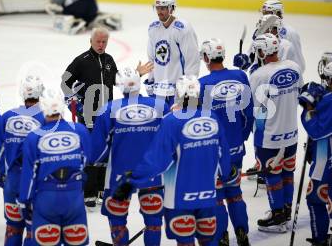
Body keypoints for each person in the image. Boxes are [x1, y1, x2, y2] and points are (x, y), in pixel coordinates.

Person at [113, 75, 231, 245]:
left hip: (180, 199)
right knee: (208, 240)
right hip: (207, 196)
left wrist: (132, 180)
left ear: (179, 94)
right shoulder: (212, 117)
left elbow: (157, 160)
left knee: (185, 241)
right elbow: (223, 154)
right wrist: (227, 172)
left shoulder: (172, 121)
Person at [61, 27, 152, 208]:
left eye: (104, 42)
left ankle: (101, 188)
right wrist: (77, 105)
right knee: (90, 152)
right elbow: (65, 82)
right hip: (88, 115)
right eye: (98, 42)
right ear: (91, 42)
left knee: (105, 150)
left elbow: (119, 82)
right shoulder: (81, 61)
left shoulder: (109, 60)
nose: (101, 45)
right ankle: (88, 192)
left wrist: (137, 74)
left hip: (108, 115)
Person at [90, 67, 169, 245]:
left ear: (120, 86)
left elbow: (98, 151)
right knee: (154, 222)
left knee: (117, 220)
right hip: (153, 174)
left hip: (119, 176)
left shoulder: (109, 109)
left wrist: (95, 161)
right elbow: (170, 141)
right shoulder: (159, 106)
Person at [18, 88, 92, 246]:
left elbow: (29, 175)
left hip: (46, 200)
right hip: (74, 198)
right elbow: (87, 160)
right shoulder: (79, 130)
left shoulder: (34, 136)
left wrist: (25, 203)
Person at [198, 38, 254, 246]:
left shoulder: (202, 84)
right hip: (236, 149)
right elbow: (249, 113)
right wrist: (241, 137)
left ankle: (221, 236)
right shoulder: (240, 76)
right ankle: (242, 232)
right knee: (235, 192)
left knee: (217, 196)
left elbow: (200, 122)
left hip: (214, 153)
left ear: (206, 58)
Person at [249, 33, 303, 233]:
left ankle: (278, 216)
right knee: (287, 173)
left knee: (272, 176)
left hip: (269, 137)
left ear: (263, 51)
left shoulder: (259, 75)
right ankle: (286, 211)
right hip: (292, 133)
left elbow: (256, 107)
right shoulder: (294, 67)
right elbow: (299, 94)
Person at [0, 75, 45, 246]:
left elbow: (0, 149)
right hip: (35, 184)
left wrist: (2, 173)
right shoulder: (47, 118)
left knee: (13, 227)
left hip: (12, 182)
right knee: (33, 229)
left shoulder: (8, 116)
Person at [144, 0, 200, 108]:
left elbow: (192, 60)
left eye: (163, 8)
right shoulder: (153, 28)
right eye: (157, 8)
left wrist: (188, 88)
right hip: (158, 90)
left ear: (172, 8)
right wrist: (151, 80)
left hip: (177, 90)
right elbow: (152, 58)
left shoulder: (182, 28)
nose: (159, 11)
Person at [299, 61, 332, 246]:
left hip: (326, 161)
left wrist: (309, 109)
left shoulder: (328, 101)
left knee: (316, 199)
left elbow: (317, 131)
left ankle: (320, 239)